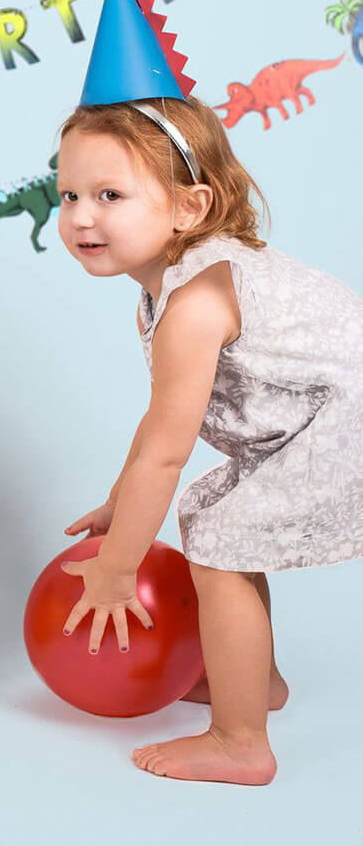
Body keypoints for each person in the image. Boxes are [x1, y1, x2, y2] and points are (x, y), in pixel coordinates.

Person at [56, 92, 363, 785]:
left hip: (347, 424)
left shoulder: (196, 299)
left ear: (189, 208)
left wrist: (116, 569)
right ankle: (258, 683)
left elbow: (168, 450)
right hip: (317, 424)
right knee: (222, 525)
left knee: (220, 543)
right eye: (68, 193)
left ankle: (240, 740)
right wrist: (119, 503)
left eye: (110, 194)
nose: (79, 216)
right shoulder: (178, 280)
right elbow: (155, 431)